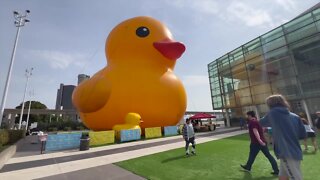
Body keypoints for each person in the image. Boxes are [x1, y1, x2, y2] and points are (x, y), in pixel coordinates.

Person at [260, 94, 306, 180]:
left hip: (286, 152)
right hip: (295, 150)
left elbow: (261, 123)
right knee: (283, 176)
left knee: (296, 177)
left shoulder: (273, 113)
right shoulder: (295, 116)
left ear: (270, 104)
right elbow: (302, 134)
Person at [240, 111, 279, 175]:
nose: (246, 116)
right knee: (267, 156)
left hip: (256, 143)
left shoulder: (253, 122)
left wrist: (259, 140)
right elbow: (262, 129)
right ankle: (276, 170)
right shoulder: (256, 121)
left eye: (247, 115)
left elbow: (255, 131)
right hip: (260, 142)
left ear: (249, 115)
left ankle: (248, 167)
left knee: (252, 155)